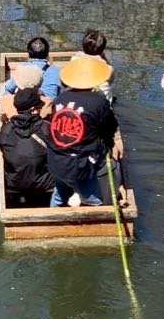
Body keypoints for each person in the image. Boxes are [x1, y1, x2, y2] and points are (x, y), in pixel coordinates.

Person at [45, 56, 122, 207]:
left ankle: (53, 211)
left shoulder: (60, 99)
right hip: (80, 165)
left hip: (55, 159)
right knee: (92, 198)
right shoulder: (99, 102)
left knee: (60, 192)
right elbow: (110, 128)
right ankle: (100, 212)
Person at [0, 86, 53, 206]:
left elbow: (3, 149)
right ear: (33, 109)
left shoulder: (6, 129)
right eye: (39, 107)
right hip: (44, 187)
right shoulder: (46, 128)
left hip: (15, 185)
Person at [1, 36, 62, 100]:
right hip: (49, 106)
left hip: (25, 104)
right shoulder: (56, 70)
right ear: (47, 55)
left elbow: (9, 88)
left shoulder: (21, 68)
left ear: (29, 55)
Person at [79, 28, 114, 102]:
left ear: (83, 48)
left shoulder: (75, 60)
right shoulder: (108, 69)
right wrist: (104, 58)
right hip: (101, 102)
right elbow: (110, 81)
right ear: (103, 50)